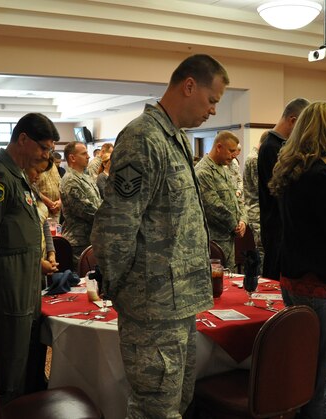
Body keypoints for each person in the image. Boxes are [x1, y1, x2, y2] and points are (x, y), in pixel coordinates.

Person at [90, 54, 228, 418]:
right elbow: (117, 226)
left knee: (176, 403)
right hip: (151, 305)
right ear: (188, 86)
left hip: (179, 302)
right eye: (212, 100)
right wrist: (120, 288)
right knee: (155, 408)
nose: (213, 111)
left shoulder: (176, 138)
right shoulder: (143, 137)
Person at [269, 101, 326, 418]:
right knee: (322, 382)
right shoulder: (323, 178)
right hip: (322, 285)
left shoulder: (291, 171)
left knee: (302, 371)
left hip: (293, 280)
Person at [0, 112, 58, 401]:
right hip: (7, 285)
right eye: (43, 148)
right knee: (8, 363)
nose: (45, 155)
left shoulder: (18, 176)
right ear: (23, 139)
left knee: (27, 358)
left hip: (26, 284)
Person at [257, 97, 310, 280]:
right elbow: (283, 192)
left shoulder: (282, 146)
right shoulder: (272, 147)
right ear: (293, 121)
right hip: (277, 228)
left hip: (282, 228)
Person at [195, 131, 247, 269]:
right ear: (219, 147)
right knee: (218, 285)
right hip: (215, 241)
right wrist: (235, 224)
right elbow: (213, 206)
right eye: (231, 151)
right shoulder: (203, 172)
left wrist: (243, 220)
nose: (233, 155)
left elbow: (238, 198)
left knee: (229, 281)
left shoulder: (224, 167)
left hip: (229, 239)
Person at [60, 141, 102, 267]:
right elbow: (87, 211)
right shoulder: (70, 180)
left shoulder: (85, 176)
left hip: (90, 239)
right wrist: (110, 216)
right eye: (84, 154)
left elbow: (98, 202)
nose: (88, 156)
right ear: (72, 158)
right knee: (82, 282)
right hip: (79, 242)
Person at [243, 131, 268, 267]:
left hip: (259, 209)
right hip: (256, 211)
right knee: (261, 251)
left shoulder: (256, 157)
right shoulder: (254, 159)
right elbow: (260, 187)